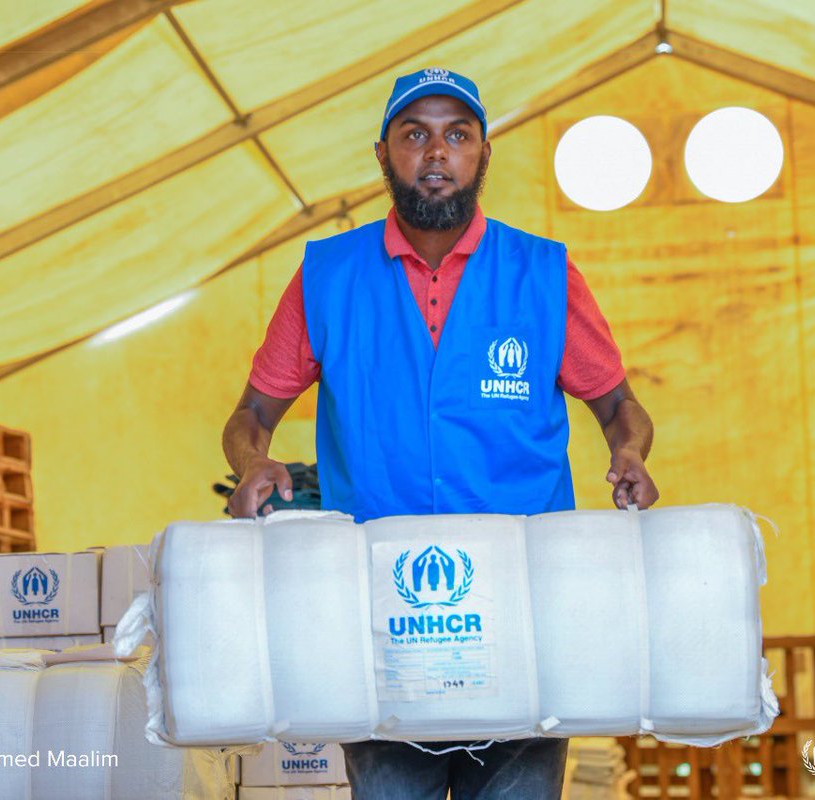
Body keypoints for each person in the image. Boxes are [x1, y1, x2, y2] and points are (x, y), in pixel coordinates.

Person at [223, 68, 658, 800]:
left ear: (483, 154)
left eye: (456, 135)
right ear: (382, 153)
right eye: (414, 134)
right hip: (381, 619)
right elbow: (250, 416)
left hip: (524, 613)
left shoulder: (542, 273)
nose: (435, 153)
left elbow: (620, 405)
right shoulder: (329, 275)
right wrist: (251, 463)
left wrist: (630, 453)